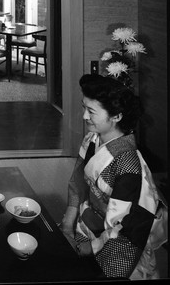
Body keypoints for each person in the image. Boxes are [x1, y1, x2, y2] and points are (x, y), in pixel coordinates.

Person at [60, 74, 167, 280]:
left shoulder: (128, 164)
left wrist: (91, 247)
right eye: (84, 108)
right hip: (90, 220)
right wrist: (68, 219)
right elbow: (77, 182)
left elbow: (124, 224)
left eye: (91, 111)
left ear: (116, 116)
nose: (84, 116)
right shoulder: (92, 138)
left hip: (122, 238)